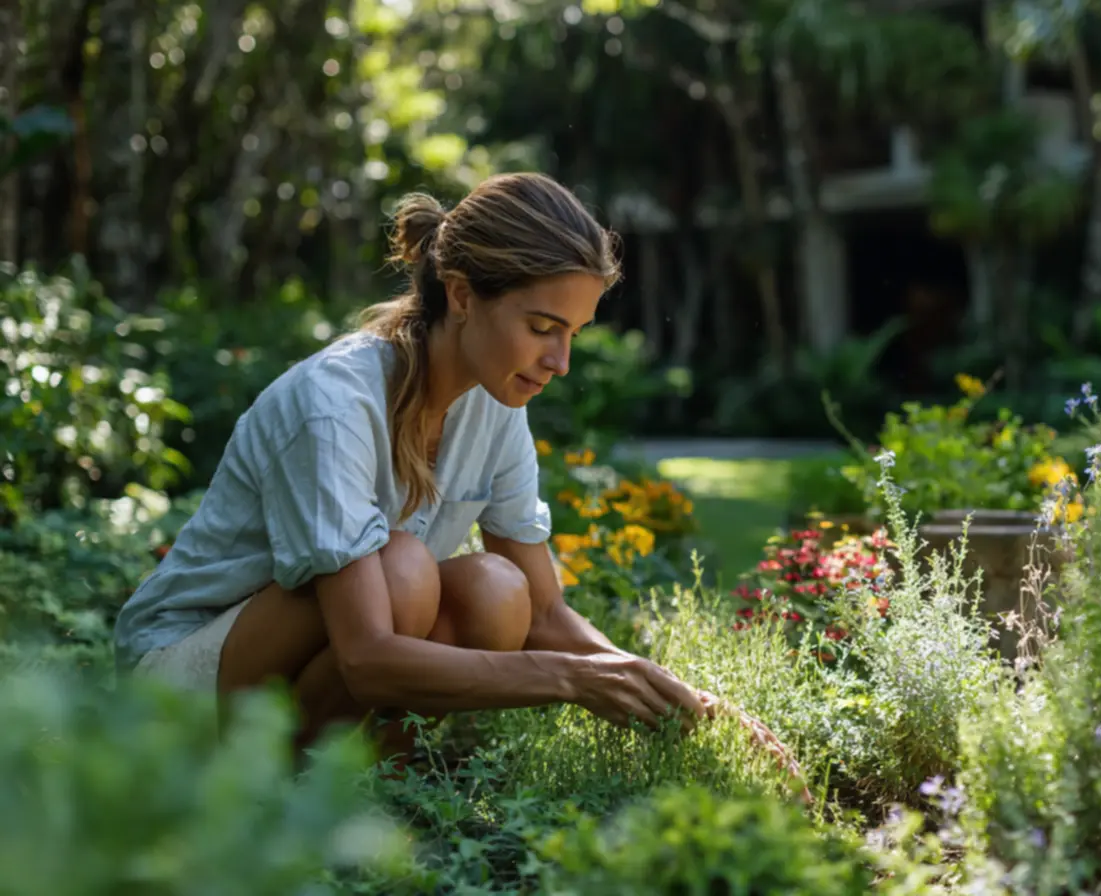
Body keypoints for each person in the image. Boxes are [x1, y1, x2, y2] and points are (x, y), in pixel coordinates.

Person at [113, 172, 798, 778]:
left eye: (573, 333)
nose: (560, 361)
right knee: (405, 570)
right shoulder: (334, 405)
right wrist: (568, 680)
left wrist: (680, 699)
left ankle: (355, 787)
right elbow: (366, 656)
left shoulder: (495, 402)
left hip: (291, 676)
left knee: (498, 593)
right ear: (463, 294)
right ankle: (272, 796)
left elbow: (546, 614)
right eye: (542, 327)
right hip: (178, 687)